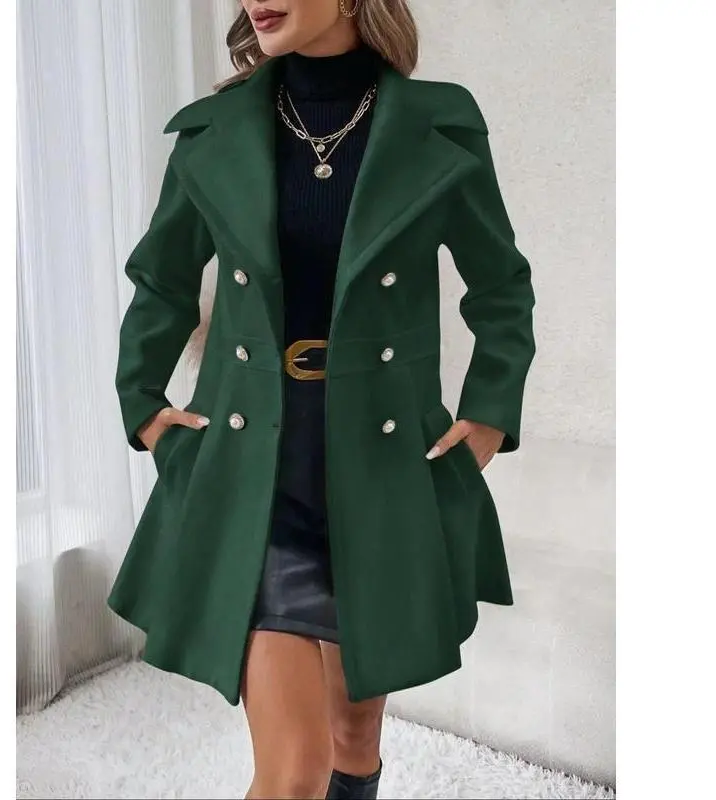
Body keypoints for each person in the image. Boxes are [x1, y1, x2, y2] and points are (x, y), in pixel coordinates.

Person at [107, 1, 537, 798]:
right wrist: (142, 405)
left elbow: (502, 285)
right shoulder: (214, 132)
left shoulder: (438, 126)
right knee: (293, 772)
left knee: (355, 735)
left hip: (381, 468)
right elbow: (161, 282)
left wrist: (488, 415)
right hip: (256, 469)